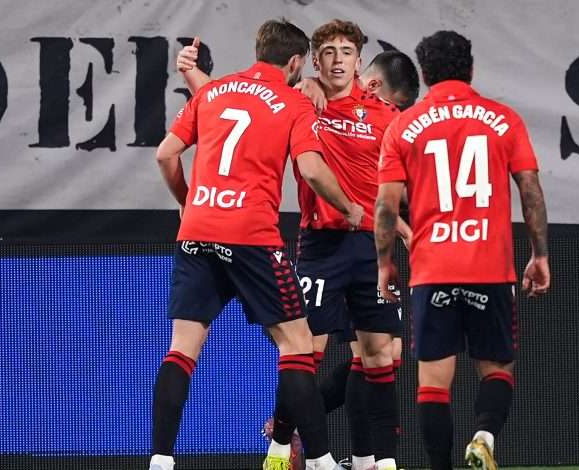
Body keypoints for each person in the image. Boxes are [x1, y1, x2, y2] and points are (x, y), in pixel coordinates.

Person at [176, 22, 419, 470]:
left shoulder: (385, 114)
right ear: (312, 60)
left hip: (370, 246)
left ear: (360, 61)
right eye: (327, 52)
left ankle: (378, 462)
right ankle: (281, 448)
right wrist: (193, 76)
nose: (338, 59)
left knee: (383, 355)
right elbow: (233, 105)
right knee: (304, 352)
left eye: (347, 51)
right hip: (320, 246)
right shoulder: (300, 100)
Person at [150, 19, 363, 470]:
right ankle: (322, 461)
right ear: (295, 62)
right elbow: (311, 170)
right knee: (297, 345)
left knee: (181, 349)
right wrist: (352, 208)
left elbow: (166, 153)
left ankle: (161, 460)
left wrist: (190, 203)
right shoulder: (292, 101)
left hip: (197, 232)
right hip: (250, 236)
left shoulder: (213, 92)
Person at [374, 30, 551, 470]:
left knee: (433, 385)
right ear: (470, 68)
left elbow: (384, 206)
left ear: (426, 75)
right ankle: (484, 435)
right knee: (497, 371)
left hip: (433, 269)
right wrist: (539, 253)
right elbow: (529, 189)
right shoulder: (503, 119)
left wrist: (384, 263)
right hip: (489, 268)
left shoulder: (402, 126)